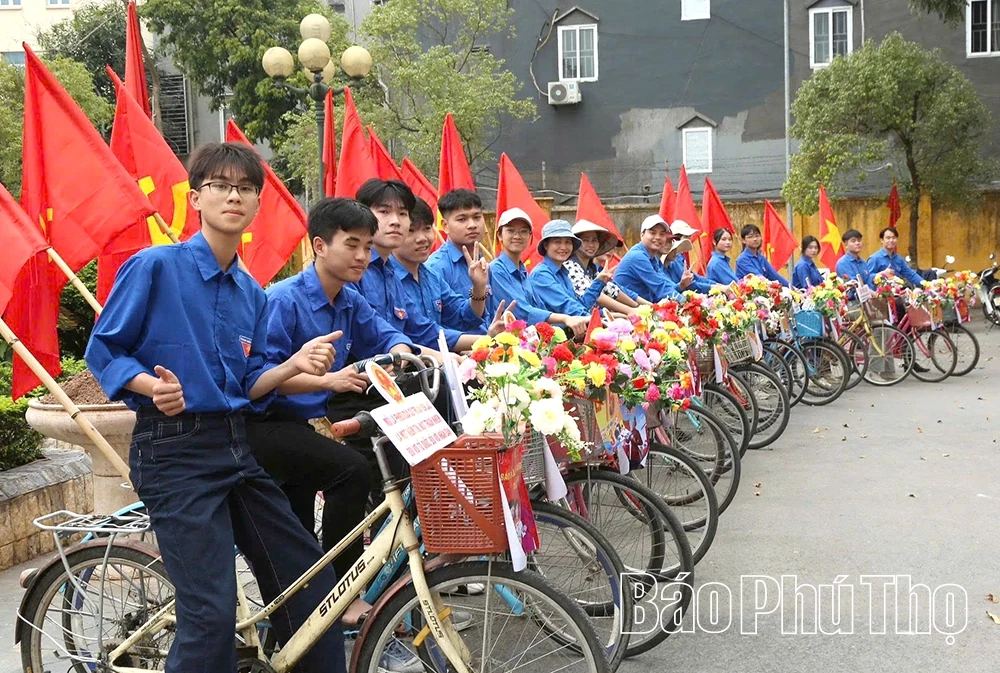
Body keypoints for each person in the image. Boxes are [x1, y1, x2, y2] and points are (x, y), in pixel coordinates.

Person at [85, 143, 346, 673]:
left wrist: (293, 363)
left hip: (235, 445)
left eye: (246, 188)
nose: (234, 195)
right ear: (197, 195)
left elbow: (249, 385)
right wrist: (146, 386)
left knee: (312, 585)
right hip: (174, 449)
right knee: (209, 612)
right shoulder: (156, 266)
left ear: (256, 204)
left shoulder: (251, 293)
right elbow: (103, 349)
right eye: (221, 185)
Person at [251, 197, 418, 629]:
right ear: (319, 246)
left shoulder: (348, 300)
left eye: (367, 245)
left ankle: (294, 632)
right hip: (269, 424)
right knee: (352, 471)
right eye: (352, 244)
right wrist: (328, 380)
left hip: (311, 425)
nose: (362, 256)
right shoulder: (283, 300)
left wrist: (402, 353)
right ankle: (344, 590)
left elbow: (384, 334)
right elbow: (263, 377)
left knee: (300, 546)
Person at [352, 178, 448, 356]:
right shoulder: (353, 271)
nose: (395, 221)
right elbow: (372, 334)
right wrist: (437, 356)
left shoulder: (390, 273)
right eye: (384, 211)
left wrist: (484, 340)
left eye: (403, 214)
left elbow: (421, 329)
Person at [394, 197, 504, 349]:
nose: (422, 238)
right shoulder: (389, 279)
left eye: (426, 229)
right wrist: (487, 340)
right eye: (411, 231)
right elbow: (424, 333)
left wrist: (479, 287)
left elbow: (464, 316)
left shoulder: (431, 276)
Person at [488, 208, 590, 335]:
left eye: (523, 231)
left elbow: (540, 308)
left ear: (530, 236)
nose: (517, 236)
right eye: (511, 230)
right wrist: (566, 318)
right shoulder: (497, 270)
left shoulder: (523, 271)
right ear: (499, 235)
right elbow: (522, 311)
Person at [531, 219, 613, 315]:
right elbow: (567, 307)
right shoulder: (541, 275)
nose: (563, 247)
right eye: (557, 242)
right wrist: (593, 319)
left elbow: (580, 305)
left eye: (568, 242)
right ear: (546, 245)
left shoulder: (564, 273)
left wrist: (599, 282)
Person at [564, 220, 641, 312]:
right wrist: (629, 310)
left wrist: (637, 307)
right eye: (585, 240)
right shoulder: (570, 266)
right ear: (575, 243)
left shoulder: (591, 268)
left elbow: (611, 290)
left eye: (594, 240)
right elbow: (595, 295)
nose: (591, 245)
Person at [425, 188, 487, 298]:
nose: (472, 225)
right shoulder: (436, 268)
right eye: (462, 219)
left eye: (477, 217)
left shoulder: (482, 263)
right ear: (445, 226)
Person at [613, 215, 680, 302]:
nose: (658, 237)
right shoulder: (638, 257)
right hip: (626, 309)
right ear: (642, 235)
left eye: (662, 234)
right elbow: (660, 287)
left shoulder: (653, 258)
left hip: (642, 306)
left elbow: (665, 283)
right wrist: (684, 301)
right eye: (652, 233)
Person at [665, 220, 712, 293]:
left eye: (690, 237)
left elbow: (695, 277)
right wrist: (714, 287)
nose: (690, 240)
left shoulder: (680, 256)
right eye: (686, 236)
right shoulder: (674, 259)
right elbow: (690, 284)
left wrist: (716, 285)